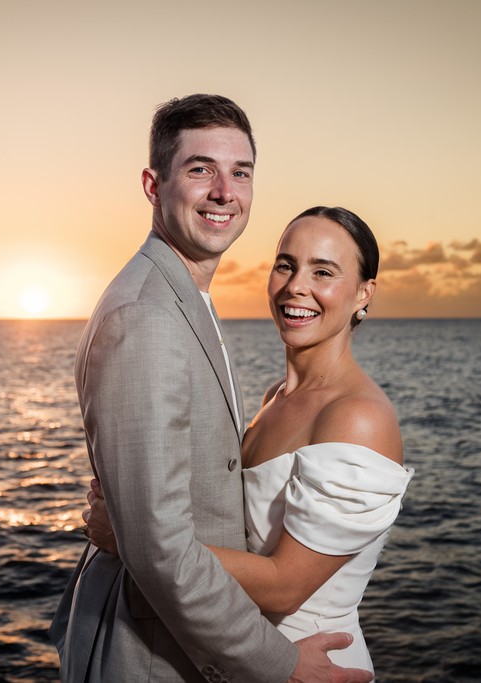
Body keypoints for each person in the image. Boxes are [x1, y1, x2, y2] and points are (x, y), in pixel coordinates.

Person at [49, 95, 373, 682]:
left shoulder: (182, 299)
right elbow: (160, 550)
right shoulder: (147, 317)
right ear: (153, 186)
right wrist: (279, 664)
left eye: (240, 173)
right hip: (151, 652)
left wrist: (129, 533)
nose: (225, 191)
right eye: (201, 169)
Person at [84, 206, 414, 679]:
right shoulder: (276, 397)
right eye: (286, 265)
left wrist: (134, 540)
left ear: (364, 293)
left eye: (323, 272)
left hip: (312, 662)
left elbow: (285, 587)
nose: (296, 286)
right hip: (251, 657)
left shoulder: (358, 418)